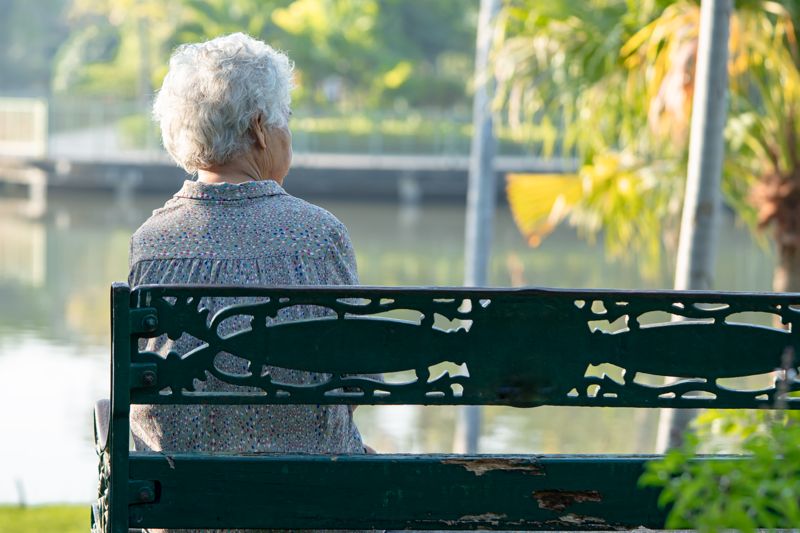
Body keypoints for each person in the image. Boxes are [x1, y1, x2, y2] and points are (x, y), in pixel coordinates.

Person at [128, 33, 370, 531]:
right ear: (260, 129)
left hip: (180, 505)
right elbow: (353, 379)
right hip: (312, 500)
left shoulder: (151, 242)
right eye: (285, 122)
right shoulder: (321, 235)